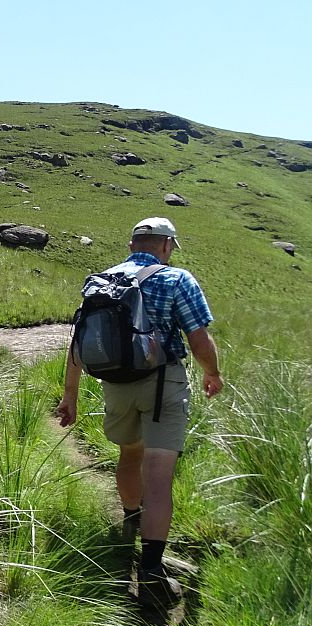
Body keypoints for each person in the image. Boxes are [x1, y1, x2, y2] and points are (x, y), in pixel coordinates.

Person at [54, 216, 224, 606]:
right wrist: (212, 372)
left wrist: (70, 396)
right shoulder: (178, 279)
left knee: (129, 455)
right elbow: (198, 338)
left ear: (132, 245)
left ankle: (131, 518)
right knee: (160, 474)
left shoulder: (101, 281)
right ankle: (150, 571)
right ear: (166, 246)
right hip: (164, 383)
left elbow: (79, 342)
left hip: (115, 384)